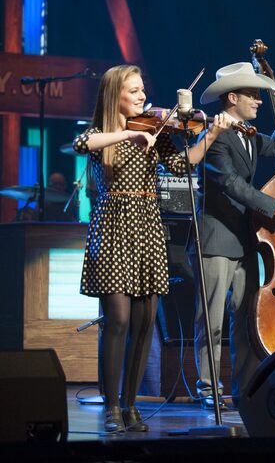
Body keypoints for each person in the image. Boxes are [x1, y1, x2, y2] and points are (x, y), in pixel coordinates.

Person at [73, 64, 231, 433]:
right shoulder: (107, 133)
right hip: (114, 227)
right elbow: (85, 143)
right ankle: (111, 406)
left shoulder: (154, 131)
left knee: (145, 323)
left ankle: (130, 406)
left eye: (143, 89)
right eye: (134, 91)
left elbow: (182, 163)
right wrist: (127, 135)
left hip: (147, 226)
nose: (143, 96)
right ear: (116, 96)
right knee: (118, 321)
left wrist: (209, 135)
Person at [192, 62, 275, 409]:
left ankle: (243, 388)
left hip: (246, 240)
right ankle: (208, 388)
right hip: (216, 239)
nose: (259, 101)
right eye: (254, 95)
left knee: (244, 320)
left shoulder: (251, 135)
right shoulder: (214, 137)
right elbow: (230, 184)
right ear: (233, 97)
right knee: (210, 321)